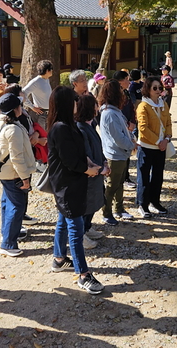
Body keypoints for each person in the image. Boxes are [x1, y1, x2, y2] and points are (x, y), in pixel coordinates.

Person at [47, 86, 105, 294]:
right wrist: (89, 170)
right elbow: (71, 161)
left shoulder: (69, 126)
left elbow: (80, 154)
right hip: (67, 185)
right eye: (74, 100)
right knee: (76, 228)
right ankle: (83, 274)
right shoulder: (60, 128)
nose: (77, 104)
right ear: (65, 103)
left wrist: (91, 165)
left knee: (64, 220)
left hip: (74, 183)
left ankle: (59, 258)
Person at [0, 93, 37, 257]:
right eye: (19, 105)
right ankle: (8, 243)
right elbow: (16, 157)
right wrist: (25, 177)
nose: (22, 108)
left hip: (5, 172)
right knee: (17, 206)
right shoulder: (13, 129)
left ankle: (7, 234)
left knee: (7, 203)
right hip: (13, 173)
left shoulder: (2, 124)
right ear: (15, 109)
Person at [99, 80, 137, 225]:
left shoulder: (115, 111)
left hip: (121, 153)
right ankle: (106, 212)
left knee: (119, 183)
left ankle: (119, 208)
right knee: (112, 185)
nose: (123, 93)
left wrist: (132, 140)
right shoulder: (109, 113)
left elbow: (124, 132)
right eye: (120, 91)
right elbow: (118, 137)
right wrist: (131, 145)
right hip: (115, 155)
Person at [135, 76, 172, 218]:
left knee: (158, 176)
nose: (158, 91)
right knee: (143, 176)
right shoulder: (143, 106)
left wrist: (167, 138)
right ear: (148, 90)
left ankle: (155, 202)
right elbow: (143, 128)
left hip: (161, 146)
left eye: (160, 88)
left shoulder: (163, 104)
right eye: (155, 88)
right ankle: (142, 204)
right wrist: (158, 141)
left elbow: (168, 122)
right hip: (147, 146)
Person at [75, 94, 109, 248]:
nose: (98, 108)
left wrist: (104, 161)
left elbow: (97, 147)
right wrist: (100, 168)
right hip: (89, 174)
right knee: (85, 204)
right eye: (95, 105)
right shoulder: (81, 128)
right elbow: (87, 154)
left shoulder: (90, 125)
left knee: (94, 202)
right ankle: (80, 235)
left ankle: (87, 228)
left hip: (98, 172)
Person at [113, 70, 137, 189]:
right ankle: (119, 178)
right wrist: (125, 124)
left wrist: (132, 122)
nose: (129, 82)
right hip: (119, 127)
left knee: (127, 152)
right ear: (120, 82)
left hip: (129, 126)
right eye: (126, 79)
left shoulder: (126, 92)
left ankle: (126, 177)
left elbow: (132, 108)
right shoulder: (112, 95)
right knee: (119, 153)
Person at [22, 60, 53, 130]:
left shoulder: (46, 79)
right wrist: (32, 107)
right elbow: (22, 94)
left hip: (49, 112)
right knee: (41, 135)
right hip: (40, 114)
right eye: (51, 69)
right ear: (48, 70)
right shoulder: (35, 82)